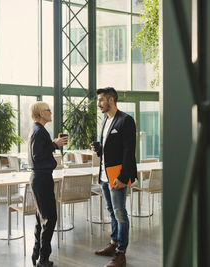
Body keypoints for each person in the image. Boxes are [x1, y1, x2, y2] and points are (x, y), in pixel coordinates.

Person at [91, 87, 137, 267]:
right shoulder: (106, 121)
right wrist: (99, 148)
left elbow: (128, 151)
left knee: (120, 214)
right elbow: (111, 148)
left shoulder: (126, 120)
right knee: (111, 212)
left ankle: (121, 254)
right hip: (104, 175)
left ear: (111, 100)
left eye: (101, 100)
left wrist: (123, 176)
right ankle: (114, 243)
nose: (99, 104)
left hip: (117, 176)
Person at [28, 102, 68, 267]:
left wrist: (52, 143)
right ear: (40, 113)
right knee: (50, 218)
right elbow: (37, 155)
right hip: (41, 178)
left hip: (41, 178)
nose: (50, 112)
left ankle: (37, 254)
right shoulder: (38, 131)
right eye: (47, 110)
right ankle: (43, 259)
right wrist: (54, 145)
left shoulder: (38, 130)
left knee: (41, 218)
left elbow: (38, 151)